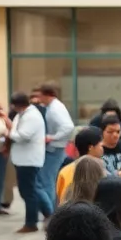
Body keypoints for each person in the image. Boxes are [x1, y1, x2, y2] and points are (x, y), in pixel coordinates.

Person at [8, 91, 46, 234]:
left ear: (17, 105)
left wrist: (9, 134)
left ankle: (31, 223)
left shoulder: (31, 116)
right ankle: (48, 214)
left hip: (29, 161)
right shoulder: (22, 115)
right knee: (29, 191)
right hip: (22, 159)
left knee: (28, 192)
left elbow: (24, 136)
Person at [38, 83, 77, 217]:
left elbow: (68, 127)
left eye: (40, 96)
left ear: (46, 95)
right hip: (56, 147)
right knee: (49, 179)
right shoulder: (53, 106)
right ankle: (52, 209)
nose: (39, 99)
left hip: (55, 148)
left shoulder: (55, 109)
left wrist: (52, 137)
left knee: (47, 180)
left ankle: (51, 212)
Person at [57, 126, 105, 203]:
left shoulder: (65, 171)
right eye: (101, 145)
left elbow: (61, 198)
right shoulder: (99, 170)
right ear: (90, 147)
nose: (103, 148)